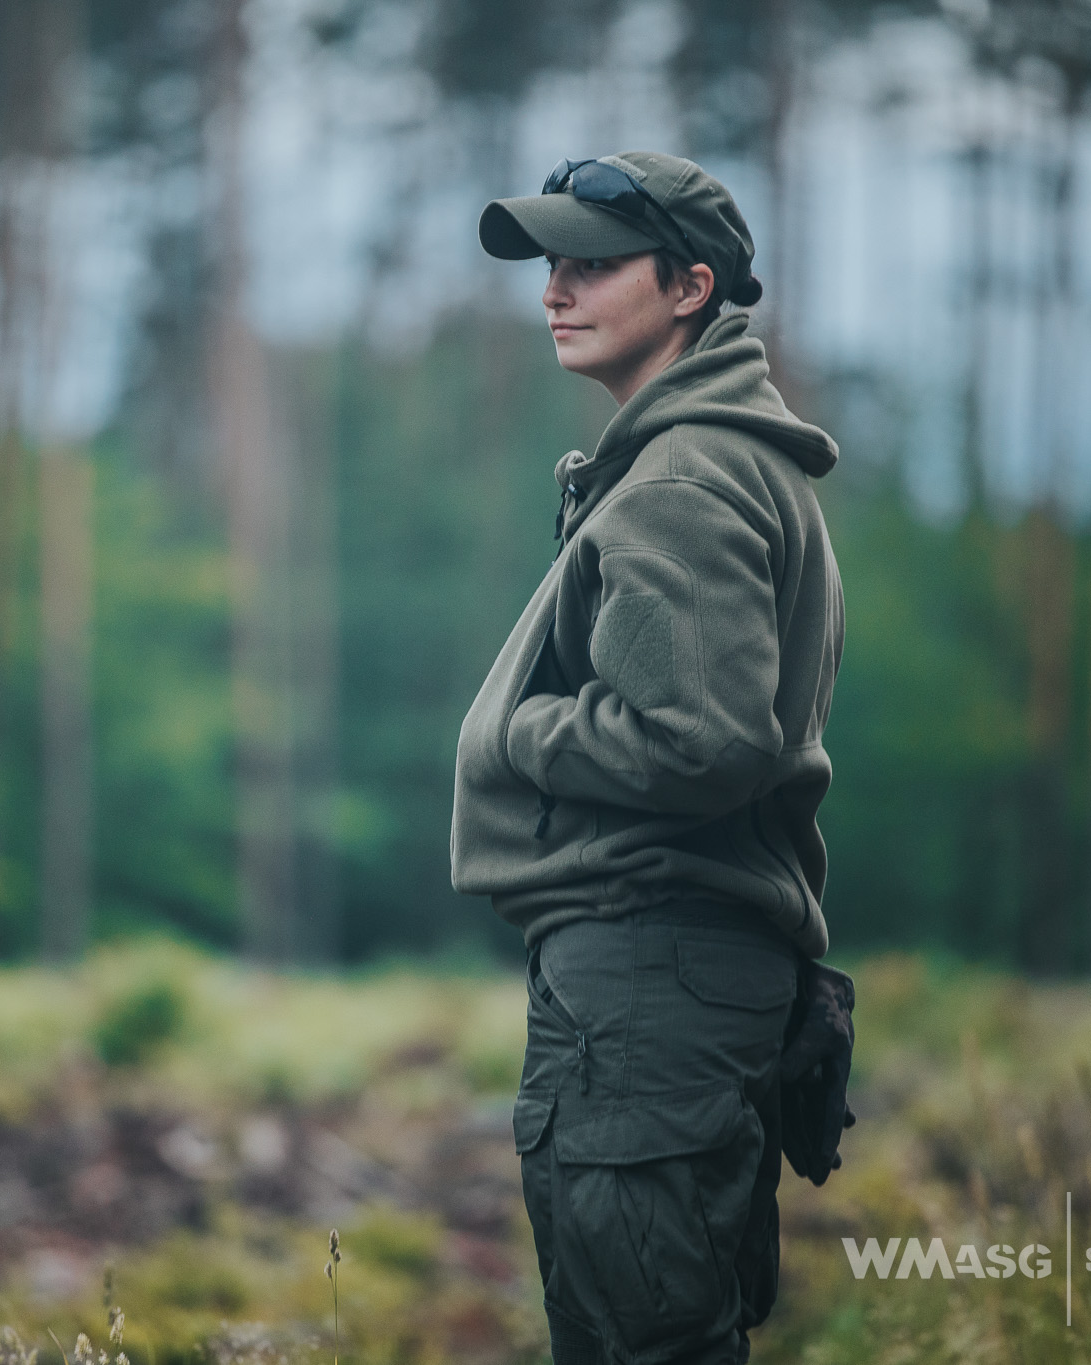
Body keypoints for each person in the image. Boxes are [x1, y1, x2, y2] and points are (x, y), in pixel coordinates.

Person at [450, 151, 845, 1364]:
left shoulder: (679, 478)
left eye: (591, 264)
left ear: (687, 286)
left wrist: (512, 731)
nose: (555, 291)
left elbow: (699, 740)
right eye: (550, 267)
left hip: (647, 979)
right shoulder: (705, 456)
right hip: (670, 976)